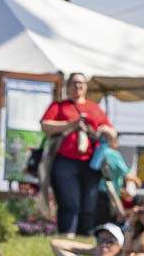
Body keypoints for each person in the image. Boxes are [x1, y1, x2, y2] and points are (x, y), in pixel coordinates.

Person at [41, 73, 117, 236]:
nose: (78, 86)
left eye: (81, 83)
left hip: (91, 162)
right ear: (68, 87)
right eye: (74, 83)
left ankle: (86, 236)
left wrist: (108, 131)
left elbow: (112, 132)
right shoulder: (59, 106)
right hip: (65, 162)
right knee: (70, 203)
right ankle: (67, 235)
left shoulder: (94, 108)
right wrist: (70, 124)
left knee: (89, 204)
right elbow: (45, 126)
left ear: (86, 87)